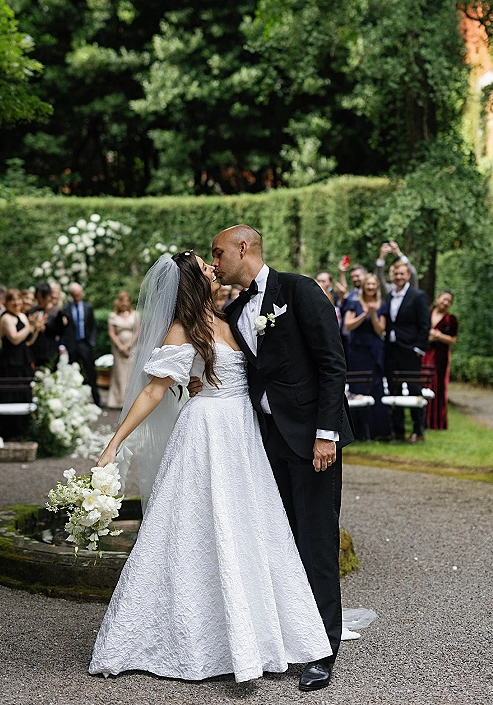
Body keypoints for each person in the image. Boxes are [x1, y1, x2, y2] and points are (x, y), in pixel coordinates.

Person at [91, 253, 331, 685]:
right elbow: (154, 390)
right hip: (207, 432)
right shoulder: (183, 328)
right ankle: (195, 637)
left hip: (244, 432)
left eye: (214, 259)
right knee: (198, 531)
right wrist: (114, 443)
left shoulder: (233, 314)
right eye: (205, 265)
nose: (213, 268)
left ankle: (257, 633)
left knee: (250, 529)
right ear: (191, 280)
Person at [207, 226, 354, 691]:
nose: (215, 262)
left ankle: (322, 651)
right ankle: (289, 636)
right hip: (263, 442)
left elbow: (332, 363)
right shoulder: (232, 310)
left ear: (243, 249)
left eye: (218, 253)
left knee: (316, 541)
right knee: (277, 544)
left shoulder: (300, 290)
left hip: (313, 442)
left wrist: (326, 435)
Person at [383, 262, 430, 442]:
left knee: (413, 389)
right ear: (392, 276)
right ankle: (398, 430)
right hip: (391, 350)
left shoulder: (417, 296)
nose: (398, 277)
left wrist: (419, 348)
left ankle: (418, 430)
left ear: (408, 275)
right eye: (395, 274)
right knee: (393, 390)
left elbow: (425, 324)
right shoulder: (388, 296)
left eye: (402, 274)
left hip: (410, 350)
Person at [344, 273, 391, 441]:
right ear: (363, 286)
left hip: (374, 351)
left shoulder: (382, 305)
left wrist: (374, 315)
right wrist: (364, 315)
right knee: (358, 386)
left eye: (373, 284)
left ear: (377, 287)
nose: (371, 287)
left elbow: (380, 331)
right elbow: (348, 325)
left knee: (375, 385)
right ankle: (357, 432)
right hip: (358, 350)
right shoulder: (354, 304)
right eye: (368, 284)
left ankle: (377, 430)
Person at [58, 283, 101, 407]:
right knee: (71, 373)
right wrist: (63, 345)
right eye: (74, 295)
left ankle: (97, 399)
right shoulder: (65, 309)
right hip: (71, 345)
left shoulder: (88, 307)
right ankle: (72, 401)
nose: (77, 297)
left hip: (85, 344)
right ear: (71, 295)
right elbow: (63, 330)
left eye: (79, 294)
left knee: (91, 373)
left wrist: (91, 342)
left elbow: (92, 326)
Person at [422, 291, 458, 430]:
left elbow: (453, 340)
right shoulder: (427, 314)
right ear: (437, 298)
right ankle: (423, 419)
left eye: (449, 301)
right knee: (424, 383)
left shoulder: (451, 319)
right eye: (444, 299)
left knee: (438, 386)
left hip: (440, 356)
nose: (445, 303)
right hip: (426, 353)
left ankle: (437, 421)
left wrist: (438, 336)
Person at [0, 289, 36, 399]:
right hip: (11, 361)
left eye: (18, 299)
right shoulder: (5, 318)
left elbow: (28, 341)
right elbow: (15, 339)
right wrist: (29, 326)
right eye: (12, 300)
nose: (16, 303)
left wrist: (35, 328)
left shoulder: (22, 316)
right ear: (7, 302)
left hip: (24, 358)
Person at [107, 291, 140, 409]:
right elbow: (111, 333)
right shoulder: (113, 316)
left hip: (132, 348)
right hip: (118, 349)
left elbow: (137, 331)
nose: (125, 303)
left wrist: (128, 345)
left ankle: (130, 401)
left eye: (127, 300)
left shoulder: (135, 314)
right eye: (122, 300)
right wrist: (121, 346)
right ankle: (118, 401)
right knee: (119, 373)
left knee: (131, 373)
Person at [27, 282, 60, 368]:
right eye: (38, 298)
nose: (40, 300)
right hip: (34, 353)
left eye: (43, 297)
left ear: (49, 296)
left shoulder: (56, 313)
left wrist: (45, 329)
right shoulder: (32, 311)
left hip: (50, 353)